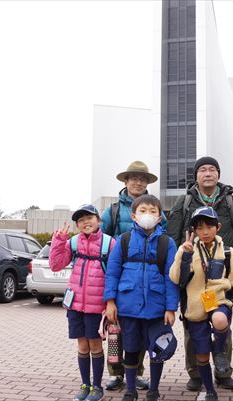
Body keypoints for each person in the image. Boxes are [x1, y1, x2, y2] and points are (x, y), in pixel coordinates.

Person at [167, 156, 233, 391]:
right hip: (191, 275)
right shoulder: (184, 201)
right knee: (193, 326)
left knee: (221, 322)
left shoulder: (232, 202)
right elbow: (172, 236)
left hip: (222, 274)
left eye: (212, 169)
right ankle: (195, 372)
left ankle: (223, 372)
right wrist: (178, 266)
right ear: (196, 176)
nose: (208, 173)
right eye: (202, 169)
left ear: (218, 175)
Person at [103, 194, 179, 401]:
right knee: (131, 348)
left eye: (153, 211)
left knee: (158, 348)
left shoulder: (167, 243)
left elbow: (171, 277)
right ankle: (130, 390)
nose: (148, 215)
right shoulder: (124, 240)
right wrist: (110, 301)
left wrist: (171, 308)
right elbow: (112, 272)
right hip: (127, 306)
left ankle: (153, 390)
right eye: (143, 211)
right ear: (134, 216)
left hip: (156, 308)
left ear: (160, 217)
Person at [100, 160, 161, 391]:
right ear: (125, 181)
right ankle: (116, 374)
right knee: (116, 332)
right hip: (119, 279)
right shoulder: (113, 210)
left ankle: (136, 373)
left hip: (146, 283)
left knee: (142, 331)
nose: (137, 182)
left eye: (142, 179)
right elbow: (101, 241)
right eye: (133, 178)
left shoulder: (155, 209)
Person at [50, 204, 115, 401]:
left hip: (97, 306)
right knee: (82, 345)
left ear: (99, 220)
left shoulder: (109, 243)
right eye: (81, 219)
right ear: (77, 224)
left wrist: (111, 302)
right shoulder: (73, 243)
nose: (86, 222)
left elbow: (114, 274)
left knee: (95, 345)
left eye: (90, 217)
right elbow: (55, 265)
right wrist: (59, 240)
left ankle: (97, 387)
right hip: (76, 304)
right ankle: (85, 385)